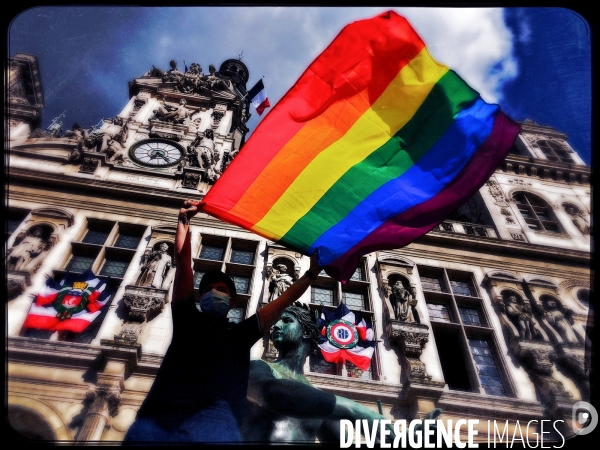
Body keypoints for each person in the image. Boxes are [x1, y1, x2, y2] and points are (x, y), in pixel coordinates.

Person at [123, 199, 322, 444]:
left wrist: (311, 274)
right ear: (199, 297)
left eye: (220, 289)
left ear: (233, 303)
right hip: (161, 415)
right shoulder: (187, 319)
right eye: (207, 289)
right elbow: (184, 266)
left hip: (215, 419)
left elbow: (282, 300)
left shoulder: (241, 334)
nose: (213, 292)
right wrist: (183, 222)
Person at [242, 302, 395, 444]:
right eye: (276, 321)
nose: (276, 326)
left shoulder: (319, 400)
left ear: (307, 332)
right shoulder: (257, 366)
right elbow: (271, 393)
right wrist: (355, 410)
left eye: (286, 320)